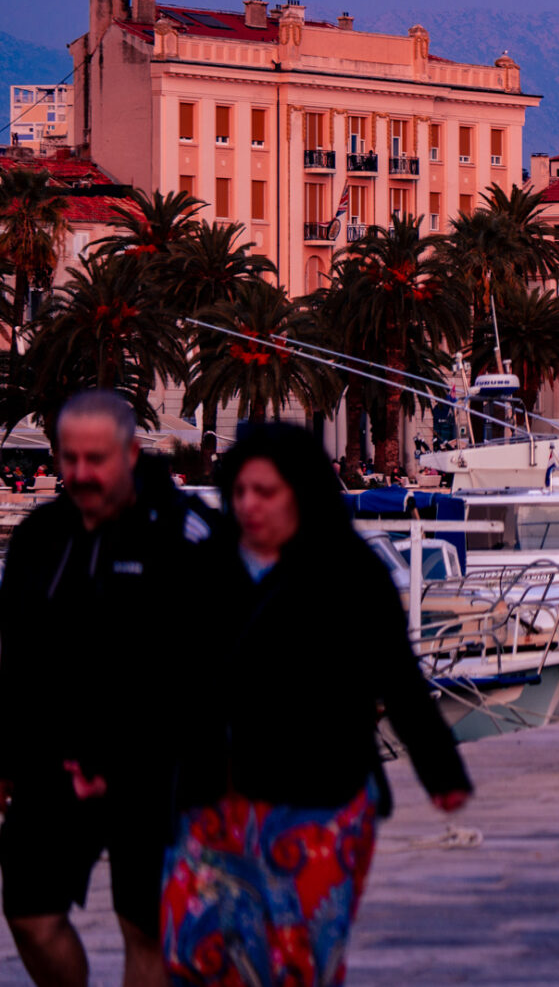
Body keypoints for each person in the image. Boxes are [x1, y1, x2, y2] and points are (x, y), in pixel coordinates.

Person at [160, 421, 470, 986]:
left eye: (266, 492)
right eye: (241, 493)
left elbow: (397, 676)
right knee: (197, 955)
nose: (250, 506)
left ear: (300, 492)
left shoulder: (350, 572)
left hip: (317, 798)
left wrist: (440, 771)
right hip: (209, 800)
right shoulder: (205, 568)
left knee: (296, 962)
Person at [0, 390, 210, 987]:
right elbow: (14, 652)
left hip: (155, 765)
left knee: (145, 927)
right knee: (29, 915)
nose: (81, 474)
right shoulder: (42, 535)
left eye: (97, 459)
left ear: (130, 452)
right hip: (52, 761)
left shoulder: (184, 534)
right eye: (70, 459)